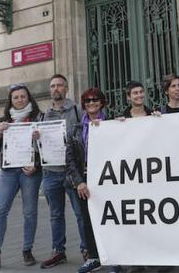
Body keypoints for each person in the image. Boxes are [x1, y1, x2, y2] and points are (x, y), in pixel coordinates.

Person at [0, 83, 44, 272]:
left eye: (23, 96)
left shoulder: (38, 117)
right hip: (9, 172)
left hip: (30, 172)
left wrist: (39, 142)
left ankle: (27, 250)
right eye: (16, 97)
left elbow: (48, 148)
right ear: (11, 101)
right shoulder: (5, 120)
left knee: (29, 213)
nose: (20, 100)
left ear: (29, 98)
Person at [40, 74, 88, 269]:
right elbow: (38, 147)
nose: (56, 89)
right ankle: (58, 250)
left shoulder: (77, 110)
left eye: (60, 85)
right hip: (50, 172)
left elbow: (87, 133)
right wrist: (36, 138)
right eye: (53, 86)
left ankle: (87, 250)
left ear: (66, 89)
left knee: (80, 214)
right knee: (55, 214)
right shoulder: (44, 115)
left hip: (72, 172)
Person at [66, 87, 112, 273]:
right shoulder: (75, 130)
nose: (91, 103)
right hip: (85, 178)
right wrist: (79, 182)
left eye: (95, 100)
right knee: (87, 219)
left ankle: (112, 256)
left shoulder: (112, 124)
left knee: (110, 217)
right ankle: (94, 256)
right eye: (87, 101)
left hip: (108, 177)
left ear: (101, 102)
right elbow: (69, 159)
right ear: (84, 105)